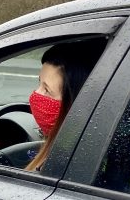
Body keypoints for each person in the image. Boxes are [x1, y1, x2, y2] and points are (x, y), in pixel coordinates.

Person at [25, 40, 105, 171]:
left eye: (47, 90)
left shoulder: (69, 158)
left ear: (78, 101)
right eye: (39, 83)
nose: (35, 95)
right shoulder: (82, 142)